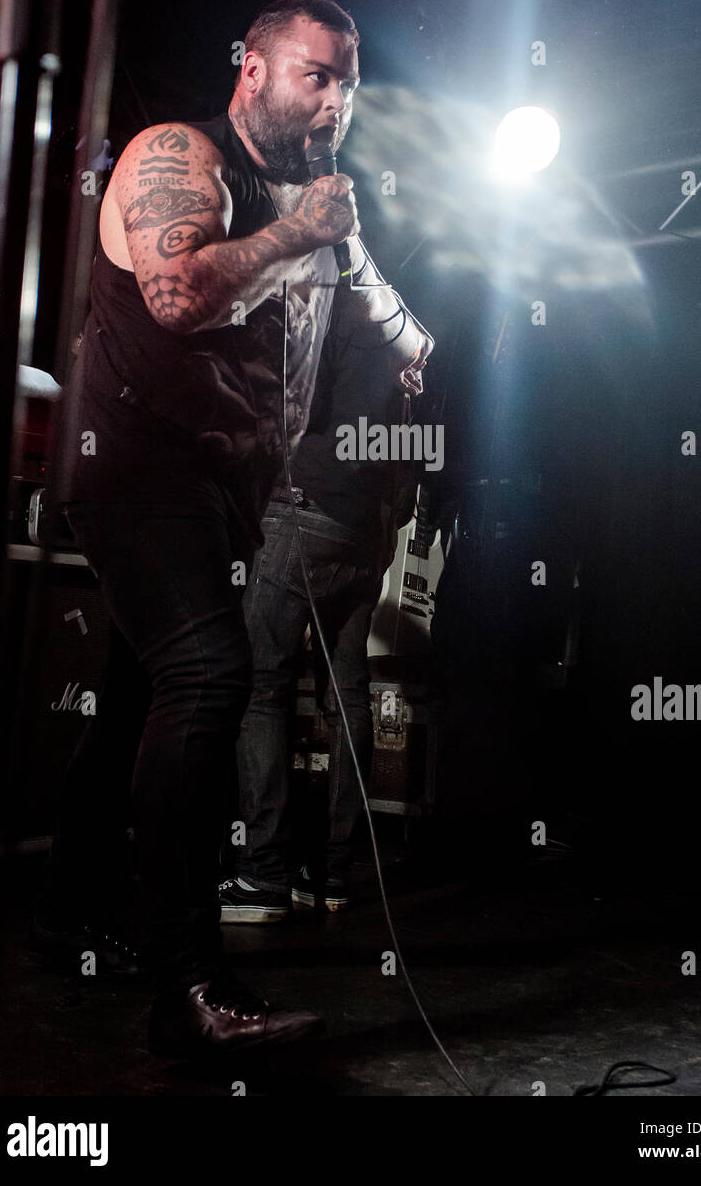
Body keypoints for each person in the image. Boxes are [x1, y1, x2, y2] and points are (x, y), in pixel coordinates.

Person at [39, 0, 430, 1058]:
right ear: (251, 70)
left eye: (348, 80)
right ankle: (188, 987)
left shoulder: (310, 199)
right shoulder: (181, 155)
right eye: (316, 74)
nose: (336, 101)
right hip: (131, 464)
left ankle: (77, 906)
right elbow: (174, 294)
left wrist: (403, 332)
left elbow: (372, 298)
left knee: (136, 695)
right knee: (210, 675)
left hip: (217, 491)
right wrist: (301, 231)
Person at [219, 277, 430, 924]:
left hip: (305, 510)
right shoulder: (401, 326)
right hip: (368, 527)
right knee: (350, 696)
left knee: (261, 682)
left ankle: (262, 875)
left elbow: (280, 411)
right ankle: (332, 872)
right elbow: (406, 445)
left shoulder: (319, 307)